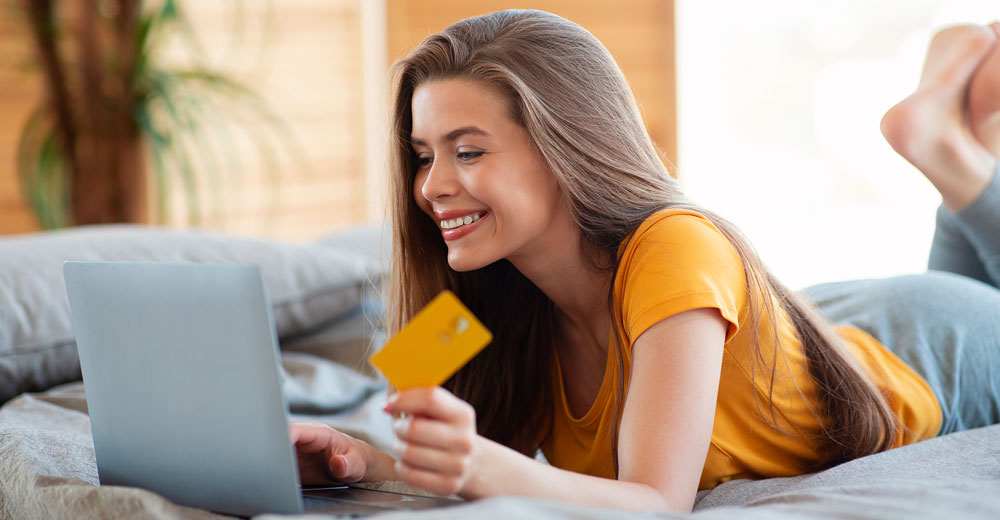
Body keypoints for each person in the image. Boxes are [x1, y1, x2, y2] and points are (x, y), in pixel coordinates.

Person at [290, 10, 1000, 512]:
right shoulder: (477, 291)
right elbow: (394, 415)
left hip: (931, 346)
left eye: (467, 151)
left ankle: (948, 148)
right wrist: (357, 463)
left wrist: (482, 465)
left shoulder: (675, 245)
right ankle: (957, 147)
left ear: (566, 147)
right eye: (422, 156)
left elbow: (655, 503)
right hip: (823, 329)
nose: (431, 186)